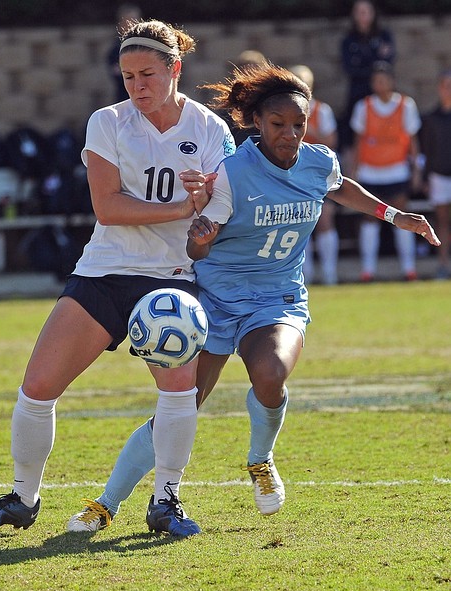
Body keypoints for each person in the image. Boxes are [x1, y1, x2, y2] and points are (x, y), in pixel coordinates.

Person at [66, 61, 439, 534]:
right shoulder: (233, 173)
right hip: (216, 299)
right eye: (279, 124)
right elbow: (196, 246)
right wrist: (199, 235)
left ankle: (260, 461)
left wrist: (394, 215)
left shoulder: (319, 161)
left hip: (277, 298)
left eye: (299, 125)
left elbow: (340, 188)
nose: (290, 134)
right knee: (182, 406)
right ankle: (106, 503)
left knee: (271, 372)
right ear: (258, 123)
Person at [0, 19, 235, 539]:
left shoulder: (207, 128)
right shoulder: (107, 122)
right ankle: (23, 497)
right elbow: (108, 208)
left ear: (175, 68)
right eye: (128, 76)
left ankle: (165, 500)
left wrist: (208, 214)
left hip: (172, 280)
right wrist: (185, 204)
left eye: (148, 74)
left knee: (179, 390)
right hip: (105, 270)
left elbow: (220, 206)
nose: (137, 86)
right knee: (37, 386)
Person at [350, 60, 422, 282]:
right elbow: (358, 142)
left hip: (397, 171)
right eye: (376, 80)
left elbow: (412, 141)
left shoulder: (405, 105)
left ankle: (409, 268)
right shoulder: (364, 106)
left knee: (402, 214)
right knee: (370, 217)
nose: (380, 84)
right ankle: (368, 270)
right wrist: (354, 170)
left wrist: (416, 169)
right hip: (370, 172)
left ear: (392, 82)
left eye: (384, 80)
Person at [289, 64, 339, 285]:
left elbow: (331, 141)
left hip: (316, 175)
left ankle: (330, 272)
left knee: (325, 219)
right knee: (298, 224)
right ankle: (304, 274)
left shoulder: (322, 110)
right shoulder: (284, 110)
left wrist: (308, 131)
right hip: (291, 174)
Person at [339, 0, 395, 159]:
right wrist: (375, 58)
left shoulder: (384, 35)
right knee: (353, 128)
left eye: (366, 10)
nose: (363, 14)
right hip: (357, 91)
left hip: (381, 92)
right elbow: (350, 68)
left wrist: (365, 63)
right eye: (359, 11)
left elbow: (386, 65)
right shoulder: (349, 40)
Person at [419, 68, 451, 280]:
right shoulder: (431, 118)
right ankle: (443, 264)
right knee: (442, 221)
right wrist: (425, 177)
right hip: (439, 175)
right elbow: (426, 150)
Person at [106, 4, 142, 102]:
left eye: (135, 20)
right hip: (125, 98)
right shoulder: (116, 50)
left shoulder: (146, 46)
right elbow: (118, 75)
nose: (132, 24)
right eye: (128, 21)